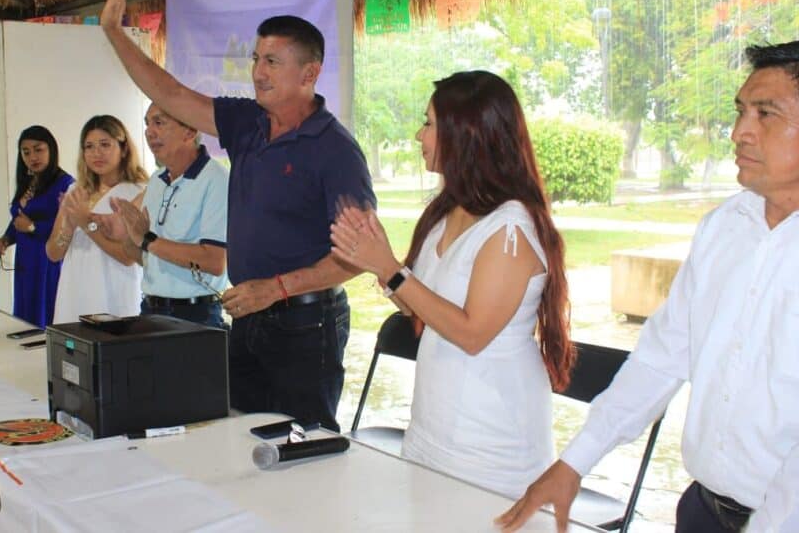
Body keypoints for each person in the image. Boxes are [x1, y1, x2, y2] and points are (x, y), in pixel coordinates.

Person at [498, 41, 799, 532]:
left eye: (766, 114)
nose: (739, 131)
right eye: (741, 111)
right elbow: (663, 355)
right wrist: (574, 462)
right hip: (704, 512)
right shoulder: (725, 228)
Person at [99, 0, 375, 432]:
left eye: (272, 61)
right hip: (248, 317)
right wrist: (113, 31)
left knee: (303, 448)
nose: (258, 72)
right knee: (239, 438)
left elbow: (360, 257)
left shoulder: (335, 150)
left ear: (310, 73)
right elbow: (171, 93)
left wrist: (279, 288)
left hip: (306, 323)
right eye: (255, 59)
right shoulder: (248, 123)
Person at [330, 70, 574, 498]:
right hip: (434, 423)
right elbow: (420, 307)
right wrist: (376, 259)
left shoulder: (511, 226)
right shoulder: (450, 209)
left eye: (428, 123)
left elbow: (471, 332)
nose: (418, 135)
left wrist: (389, 269)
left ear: (465, 136)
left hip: (491, 437)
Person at [99, 103, 230, 328]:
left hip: (195, 316)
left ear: (190, 130)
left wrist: (148, 240)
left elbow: (215, 261)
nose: (149, 132)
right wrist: (128, 236)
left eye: (159, 122)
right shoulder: (157, 180)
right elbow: (146, 259)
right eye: (147, 124)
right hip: (150, 311)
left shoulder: (216, 179)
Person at [46, 115, 148, 322]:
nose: (96, 153)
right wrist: (69, 226)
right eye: (89, 147)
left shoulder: (138, 192)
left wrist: (87, 224)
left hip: (116, 289)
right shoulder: (76, 190)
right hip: (75, 288)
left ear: (124, 148)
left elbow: (128, 257)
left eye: (105, 145)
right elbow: (53, 253)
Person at [0, 125, 74, 328]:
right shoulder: (28, 182)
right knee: (25, 314)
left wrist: (34, 227)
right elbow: (18, 220)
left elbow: (69, 227)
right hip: (25, 259)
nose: (32, 157)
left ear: (51, 150)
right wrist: (6, 239)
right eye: (26, 152)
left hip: (48, 259)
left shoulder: (65, 184)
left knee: (45, 313)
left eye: (39, 150)